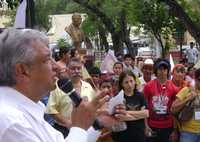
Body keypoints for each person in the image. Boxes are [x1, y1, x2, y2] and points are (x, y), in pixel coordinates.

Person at [0, 28, 109, 142]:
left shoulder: (22, 113)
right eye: (47, 59)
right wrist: (79, 127)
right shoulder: (12, 122)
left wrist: (97, 122)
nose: (56, 66)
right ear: (22, 70)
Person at [143, 58, 179, 142]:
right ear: (156, 70)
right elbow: (144, 107)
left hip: (167, 126)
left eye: (164, 69)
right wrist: (146, 126)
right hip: (152, 125)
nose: (162, 71)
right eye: (160, 69)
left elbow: (175, 111)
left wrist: (174, 129)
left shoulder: (173, 88)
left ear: (168, 71)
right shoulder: (148, 86)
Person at [111, 70, 149, 142]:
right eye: (126, 82)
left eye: (131, 81)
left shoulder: (140, 96)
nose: (130, 84)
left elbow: (146, 113)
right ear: (122, 84)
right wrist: (140, 114)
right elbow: (120, 117)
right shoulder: (118, 97)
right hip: (123, 136)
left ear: (135, 81)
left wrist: (126, 112)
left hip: (139, 135)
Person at [171, 68, 200, 142]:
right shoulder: (187, 90)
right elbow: (173, 109)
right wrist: (187, 99)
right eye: (199, 79)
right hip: (188, 132)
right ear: (195, 79)